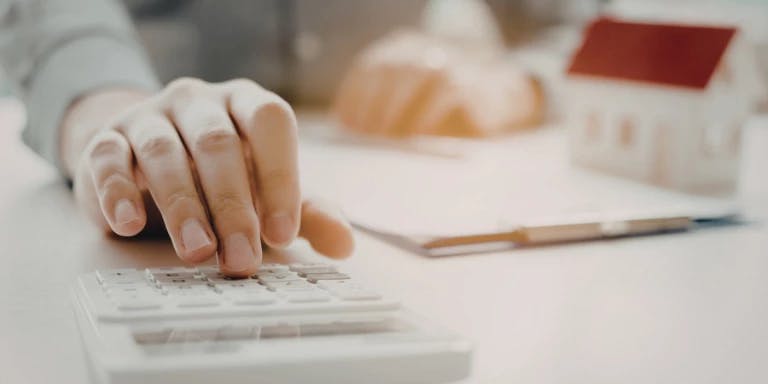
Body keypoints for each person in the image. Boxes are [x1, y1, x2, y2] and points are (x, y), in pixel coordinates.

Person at [0, 0, 556, 276]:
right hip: (141, 151)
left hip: (404, 165)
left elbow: (565, 24)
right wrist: (110, 114)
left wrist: (519, 80)